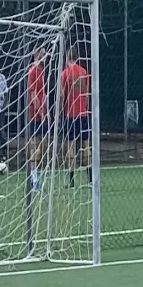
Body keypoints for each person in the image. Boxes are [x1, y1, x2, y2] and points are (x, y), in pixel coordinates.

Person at [61, 46, 91, 186]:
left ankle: (71, 179)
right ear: (77, 58)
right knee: (86, 145)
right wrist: (85, 107)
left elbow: (62, 95)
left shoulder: (65, 73)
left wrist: (62, 109)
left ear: (67, 57)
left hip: (71, 114)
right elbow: (86, 94)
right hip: (83, 114)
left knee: (71, 146)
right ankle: (90, 178)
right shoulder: (84, 72)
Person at [27, 46, 50, 192]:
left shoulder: (41, 71)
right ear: (37, 55)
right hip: (35, 115)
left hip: (42, 113)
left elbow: (43, 93)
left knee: (42, 147)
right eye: (43, 55)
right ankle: (34, 179)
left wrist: (47, 110)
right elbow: (34, 94)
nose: (45, 57)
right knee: (35, 147)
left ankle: (35, 176)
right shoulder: (33, 71)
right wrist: (41, 112)